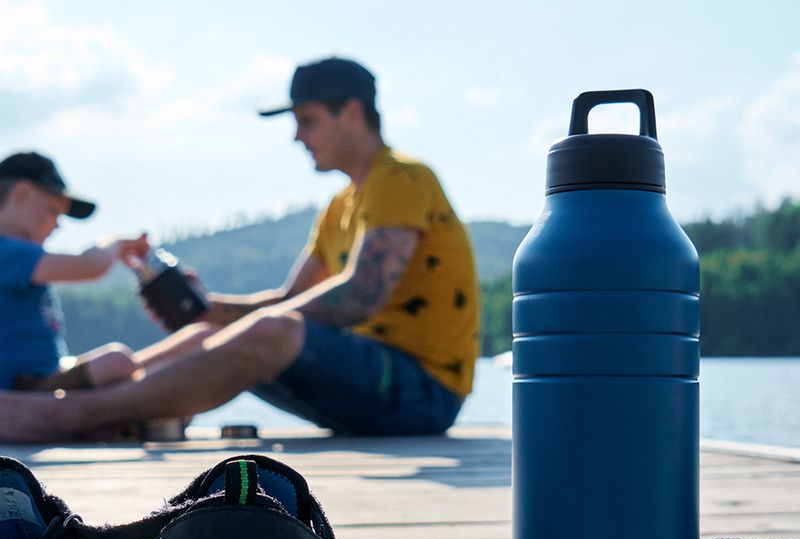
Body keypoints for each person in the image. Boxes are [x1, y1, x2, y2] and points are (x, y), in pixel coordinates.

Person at [0, 56, 480, 442]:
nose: (297, 137)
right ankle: (105, 405)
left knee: (269, 330)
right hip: (367, 379)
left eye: (307, 121)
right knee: (212, 329)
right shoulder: (338, 207)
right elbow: (287, 299)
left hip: (422, 391)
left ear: (352, 113)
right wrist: (208, 310)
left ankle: (68, 416)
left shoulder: (401, 176)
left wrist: (234, 320)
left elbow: (359, 296)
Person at [0, 151, 222, 397]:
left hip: (47, 376)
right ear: (22, 194)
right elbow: (88, 266)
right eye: (53, 210)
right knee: (115, 362)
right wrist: (117, 245)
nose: (57, 224)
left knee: (198, 337)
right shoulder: (8, 253)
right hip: (22, 388)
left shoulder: (20, 257)